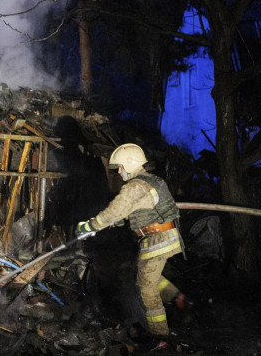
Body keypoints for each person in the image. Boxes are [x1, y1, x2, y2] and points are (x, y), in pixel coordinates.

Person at [76, 143, 186, 346]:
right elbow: (137, 209)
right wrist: (120, 220)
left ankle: (161, 337)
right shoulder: (150, 180)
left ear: (128, 164)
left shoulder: (135, 186)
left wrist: (90, 226)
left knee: (146, 288)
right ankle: (178, 298)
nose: (118, 171)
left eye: (119, 167)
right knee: (142, 271)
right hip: (164, 236)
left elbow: (113, 212)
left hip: (157, 240)